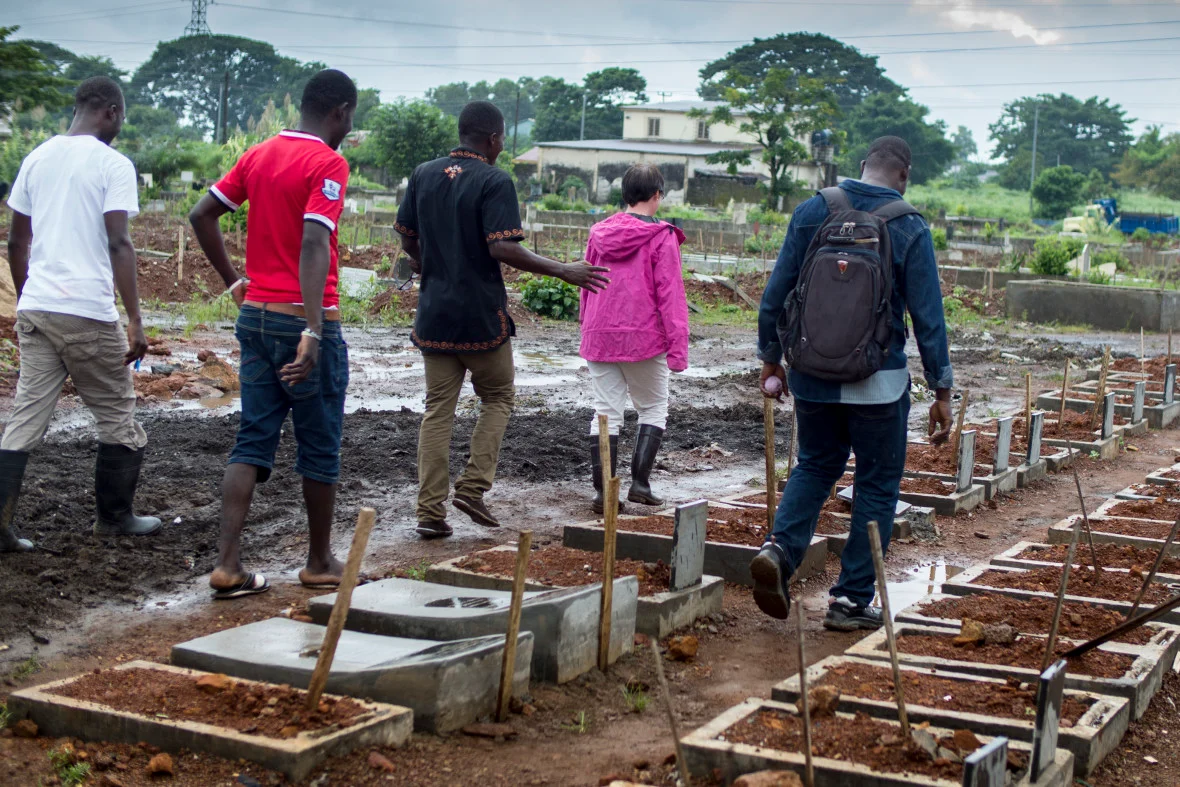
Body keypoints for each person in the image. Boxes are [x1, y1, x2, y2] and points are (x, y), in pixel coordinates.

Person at [750, 136, 954, 631]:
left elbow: (776, 293)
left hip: (814, 376)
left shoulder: (814, 209)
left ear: (861, 166)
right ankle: (850, 602)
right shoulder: (908, 224)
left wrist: (771, 359)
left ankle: (779, 550)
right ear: (903, 175)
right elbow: (929, 317)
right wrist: (941, 390)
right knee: (877, 484)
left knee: (817, 464)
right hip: (878, 383)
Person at [397, 100, 610, 539]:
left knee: (438, 410)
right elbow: (503, 248)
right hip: (478, 315)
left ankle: (430, 513)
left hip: (434, 315)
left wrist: (429, 264)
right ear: (493, 139)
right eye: (501, 141)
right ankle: (473, 487)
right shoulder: (494, 180)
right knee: (498, 397)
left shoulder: (422, 174)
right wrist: (563, 270)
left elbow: (407, 239)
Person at [188, 69, 357, 599]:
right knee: (319, 441)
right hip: (302, 323)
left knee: (253, 438)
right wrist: (312, 328)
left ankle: (228, 565)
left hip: (255, 317)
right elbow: (313, 244)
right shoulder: (327, 163)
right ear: (341, 113)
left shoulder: (259, 155)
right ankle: (319, 561)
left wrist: (234, 281)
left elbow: (202, 213)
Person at [1, 76, 161, 553]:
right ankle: (114, 519)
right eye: (122, 117)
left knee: (25, 418)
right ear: (110, 111)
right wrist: (134, 318)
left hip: (37, 308)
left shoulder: (36, 158)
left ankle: (0, 527)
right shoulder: (113, 164)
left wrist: (29, 289)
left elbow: (15, 241)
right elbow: (119, 242)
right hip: (88, 312)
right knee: (117, 414)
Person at [579, 163, 688, 513]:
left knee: (606, 411)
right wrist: (678, 348)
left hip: (600, 333)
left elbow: (587, 283)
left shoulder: (598, 232)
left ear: (624, 195)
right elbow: (670, 295)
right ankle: (640, 484)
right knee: (653, 407)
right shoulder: (661, 236)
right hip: (644, 338)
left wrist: (588, 324)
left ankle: (603, 494)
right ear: (657, 196)